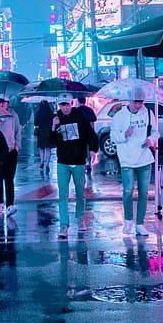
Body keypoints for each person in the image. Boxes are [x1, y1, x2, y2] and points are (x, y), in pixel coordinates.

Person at [49, 93, 98, 238]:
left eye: (66, 104)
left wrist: (94, 149)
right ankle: (64, 225)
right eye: (62, 105)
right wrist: (53, 127)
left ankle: (80, 219)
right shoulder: (56, 118)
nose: (64, 108)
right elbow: (51, 142)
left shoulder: (79, 117)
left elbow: (90, 134)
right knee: (63, 194)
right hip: (62, 162)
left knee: (80, 193)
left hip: (78, 162)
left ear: (71, 103)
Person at [110, 88, 157, 237]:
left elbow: (155, 132)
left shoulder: (148, 113)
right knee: (128, 190)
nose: (139, 105)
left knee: (144, 192)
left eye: (141, 102)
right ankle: (128, 220)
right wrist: (125, 134)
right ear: (130, 100)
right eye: (136, 102)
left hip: (144, 158)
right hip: (127, 159)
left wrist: (150, 140)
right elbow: (113, 136)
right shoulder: (119, 116)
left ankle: (140, 224)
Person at [0, 96, 22, 216]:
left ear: (7, 103)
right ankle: (0, 203)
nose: (0, 104)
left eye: (2, 102)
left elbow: (18, 132)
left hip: (11, 151)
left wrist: (17, 147)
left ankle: (10, 204)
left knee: (9, 179)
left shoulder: (13, 115)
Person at [74, 96, 98, 180]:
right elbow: (93, 121)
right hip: (88, 132)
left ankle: (82, 163)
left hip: (79, 133)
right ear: (85, 101)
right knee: (88, 148)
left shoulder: (76, 111)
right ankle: (88, 162)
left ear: (78, 101)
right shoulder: (89, 110)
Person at [35, 100, 54, 173]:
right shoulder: (50, 113)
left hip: (41, 132)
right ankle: (47, 164)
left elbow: (35, 123)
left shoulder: (38, 113)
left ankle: (42, 161)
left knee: (41, 148)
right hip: (49, 132)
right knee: (48, 149)